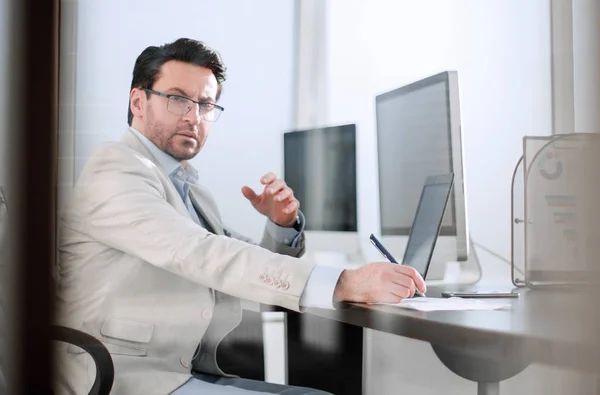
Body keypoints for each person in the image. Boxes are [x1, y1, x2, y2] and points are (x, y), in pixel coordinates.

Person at [54, 38, 426, 395]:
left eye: (205, 105)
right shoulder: (115, 170)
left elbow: (235, 258)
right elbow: (200, 253)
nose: (194, 117)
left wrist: (280, 226)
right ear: (138, 101)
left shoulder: (186, 185)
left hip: (181, 367)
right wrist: (344, 282)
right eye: (178, 100)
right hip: (126, 379)